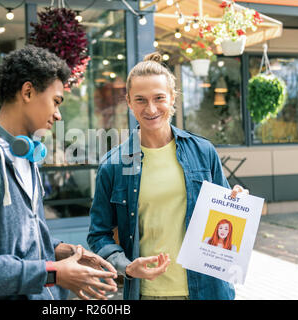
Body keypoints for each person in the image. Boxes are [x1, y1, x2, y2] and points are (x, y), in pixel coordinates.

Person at [0, 45, 118, 300]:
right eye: (56, 102)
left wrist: (62, 252)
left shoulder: (27, 157)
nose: (58, 115)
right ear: (27, 91)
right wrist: (54, 273)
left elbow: (17, 243)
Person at [87, 52, 249, 300]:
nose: (150, 108)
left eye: (159, 98)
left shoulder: (203, 152)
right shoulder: (113, 166)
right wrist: (127, 266)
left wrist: (236, 202)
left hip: (209, 290)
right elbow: (98, 234)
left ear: (173, 98)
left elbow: (224, 221)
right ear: (129, 102)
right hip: (149, 294)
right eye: (140, 100)